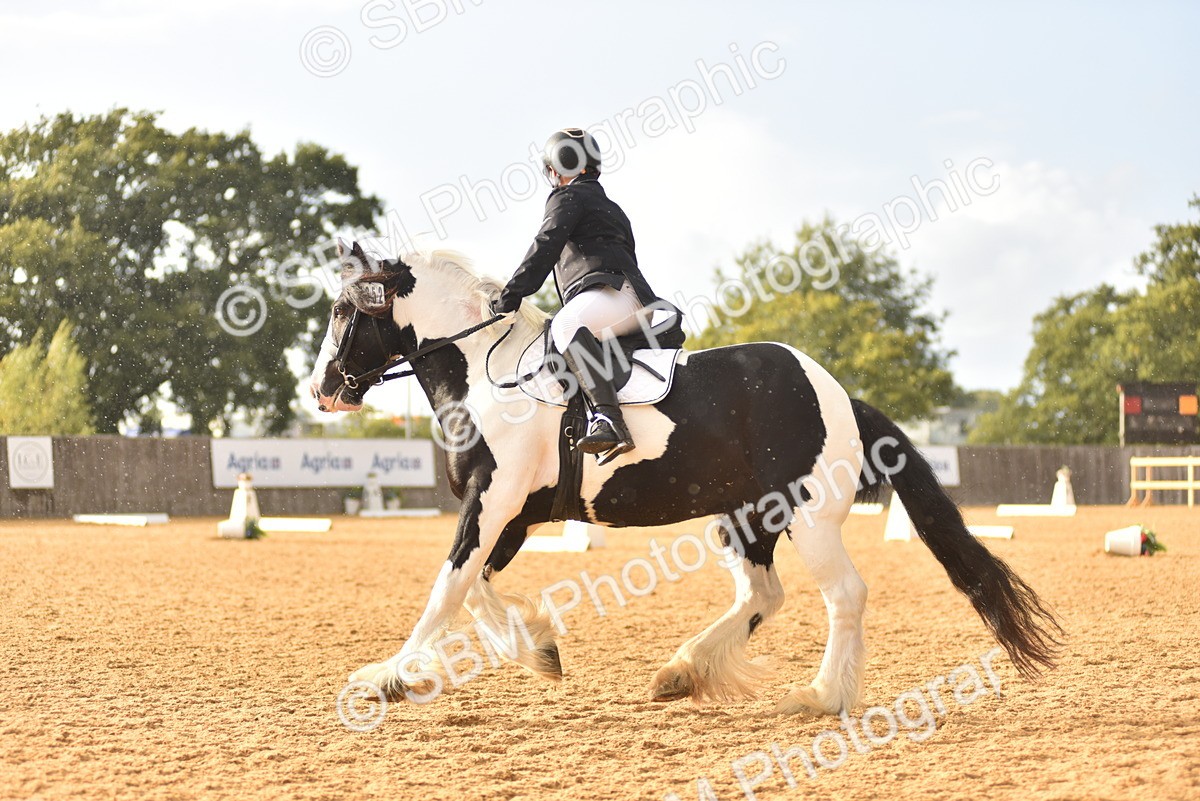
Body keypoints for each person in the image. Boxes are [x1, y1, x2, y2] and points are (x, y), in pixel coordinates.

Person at [489, 128, 660, 462]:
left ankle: (610, 418)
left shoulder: (567, 197)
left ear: (558, 168)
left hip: (614, 296)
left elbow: (545, 247)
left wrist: (509, 298)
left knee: (565, 325)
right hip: (628, 301)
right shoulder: (609, 204)